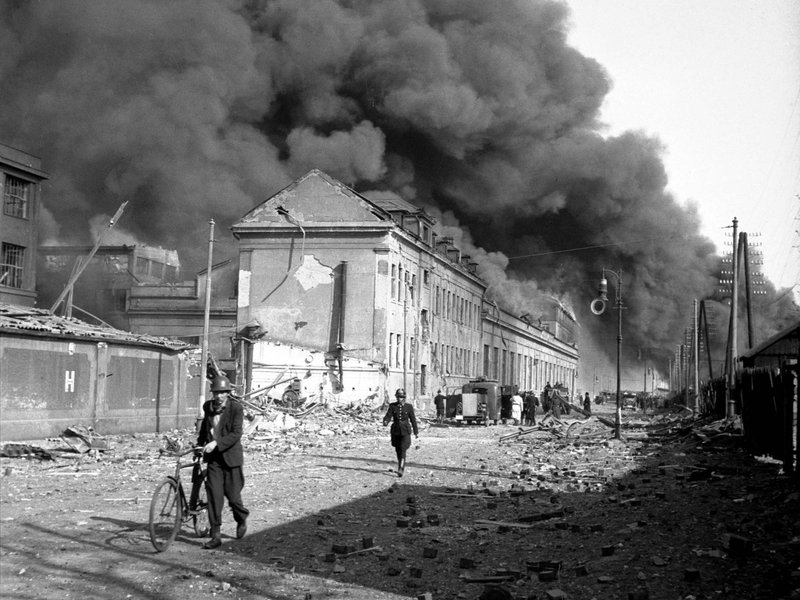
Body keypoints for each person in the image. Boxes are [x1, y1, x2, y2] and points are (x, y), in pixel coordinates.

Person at [197, 375, 250, 549]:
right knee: (214, 497)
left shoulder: (236, 408)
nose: (219, 396)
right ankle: (216, 535)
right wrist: (199, 445)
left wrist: (216, 443)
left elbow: (236, 434)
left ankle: (241, 518)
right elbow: (206, 428)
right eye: (216, 393)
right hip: (214, 460)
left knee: (233, 498)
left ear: (228, 393)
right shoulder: (208, 407)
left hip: (231, 458)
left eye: (222, 393)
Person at [382, 388, 418, 477]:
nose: (399, 399)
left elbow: (413, 420)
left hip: (405, 431)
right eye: (398, 397)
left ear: (404, 397)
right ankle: (400, 464)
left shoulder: (409, 407)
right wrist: (385, 421)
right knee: (398, 450)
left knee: (403, 449)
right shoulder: (392, 406)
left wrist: (416, 432)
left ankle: (401, 469)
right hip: (395, 431)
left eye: (401, 397)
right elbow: (388, 415)